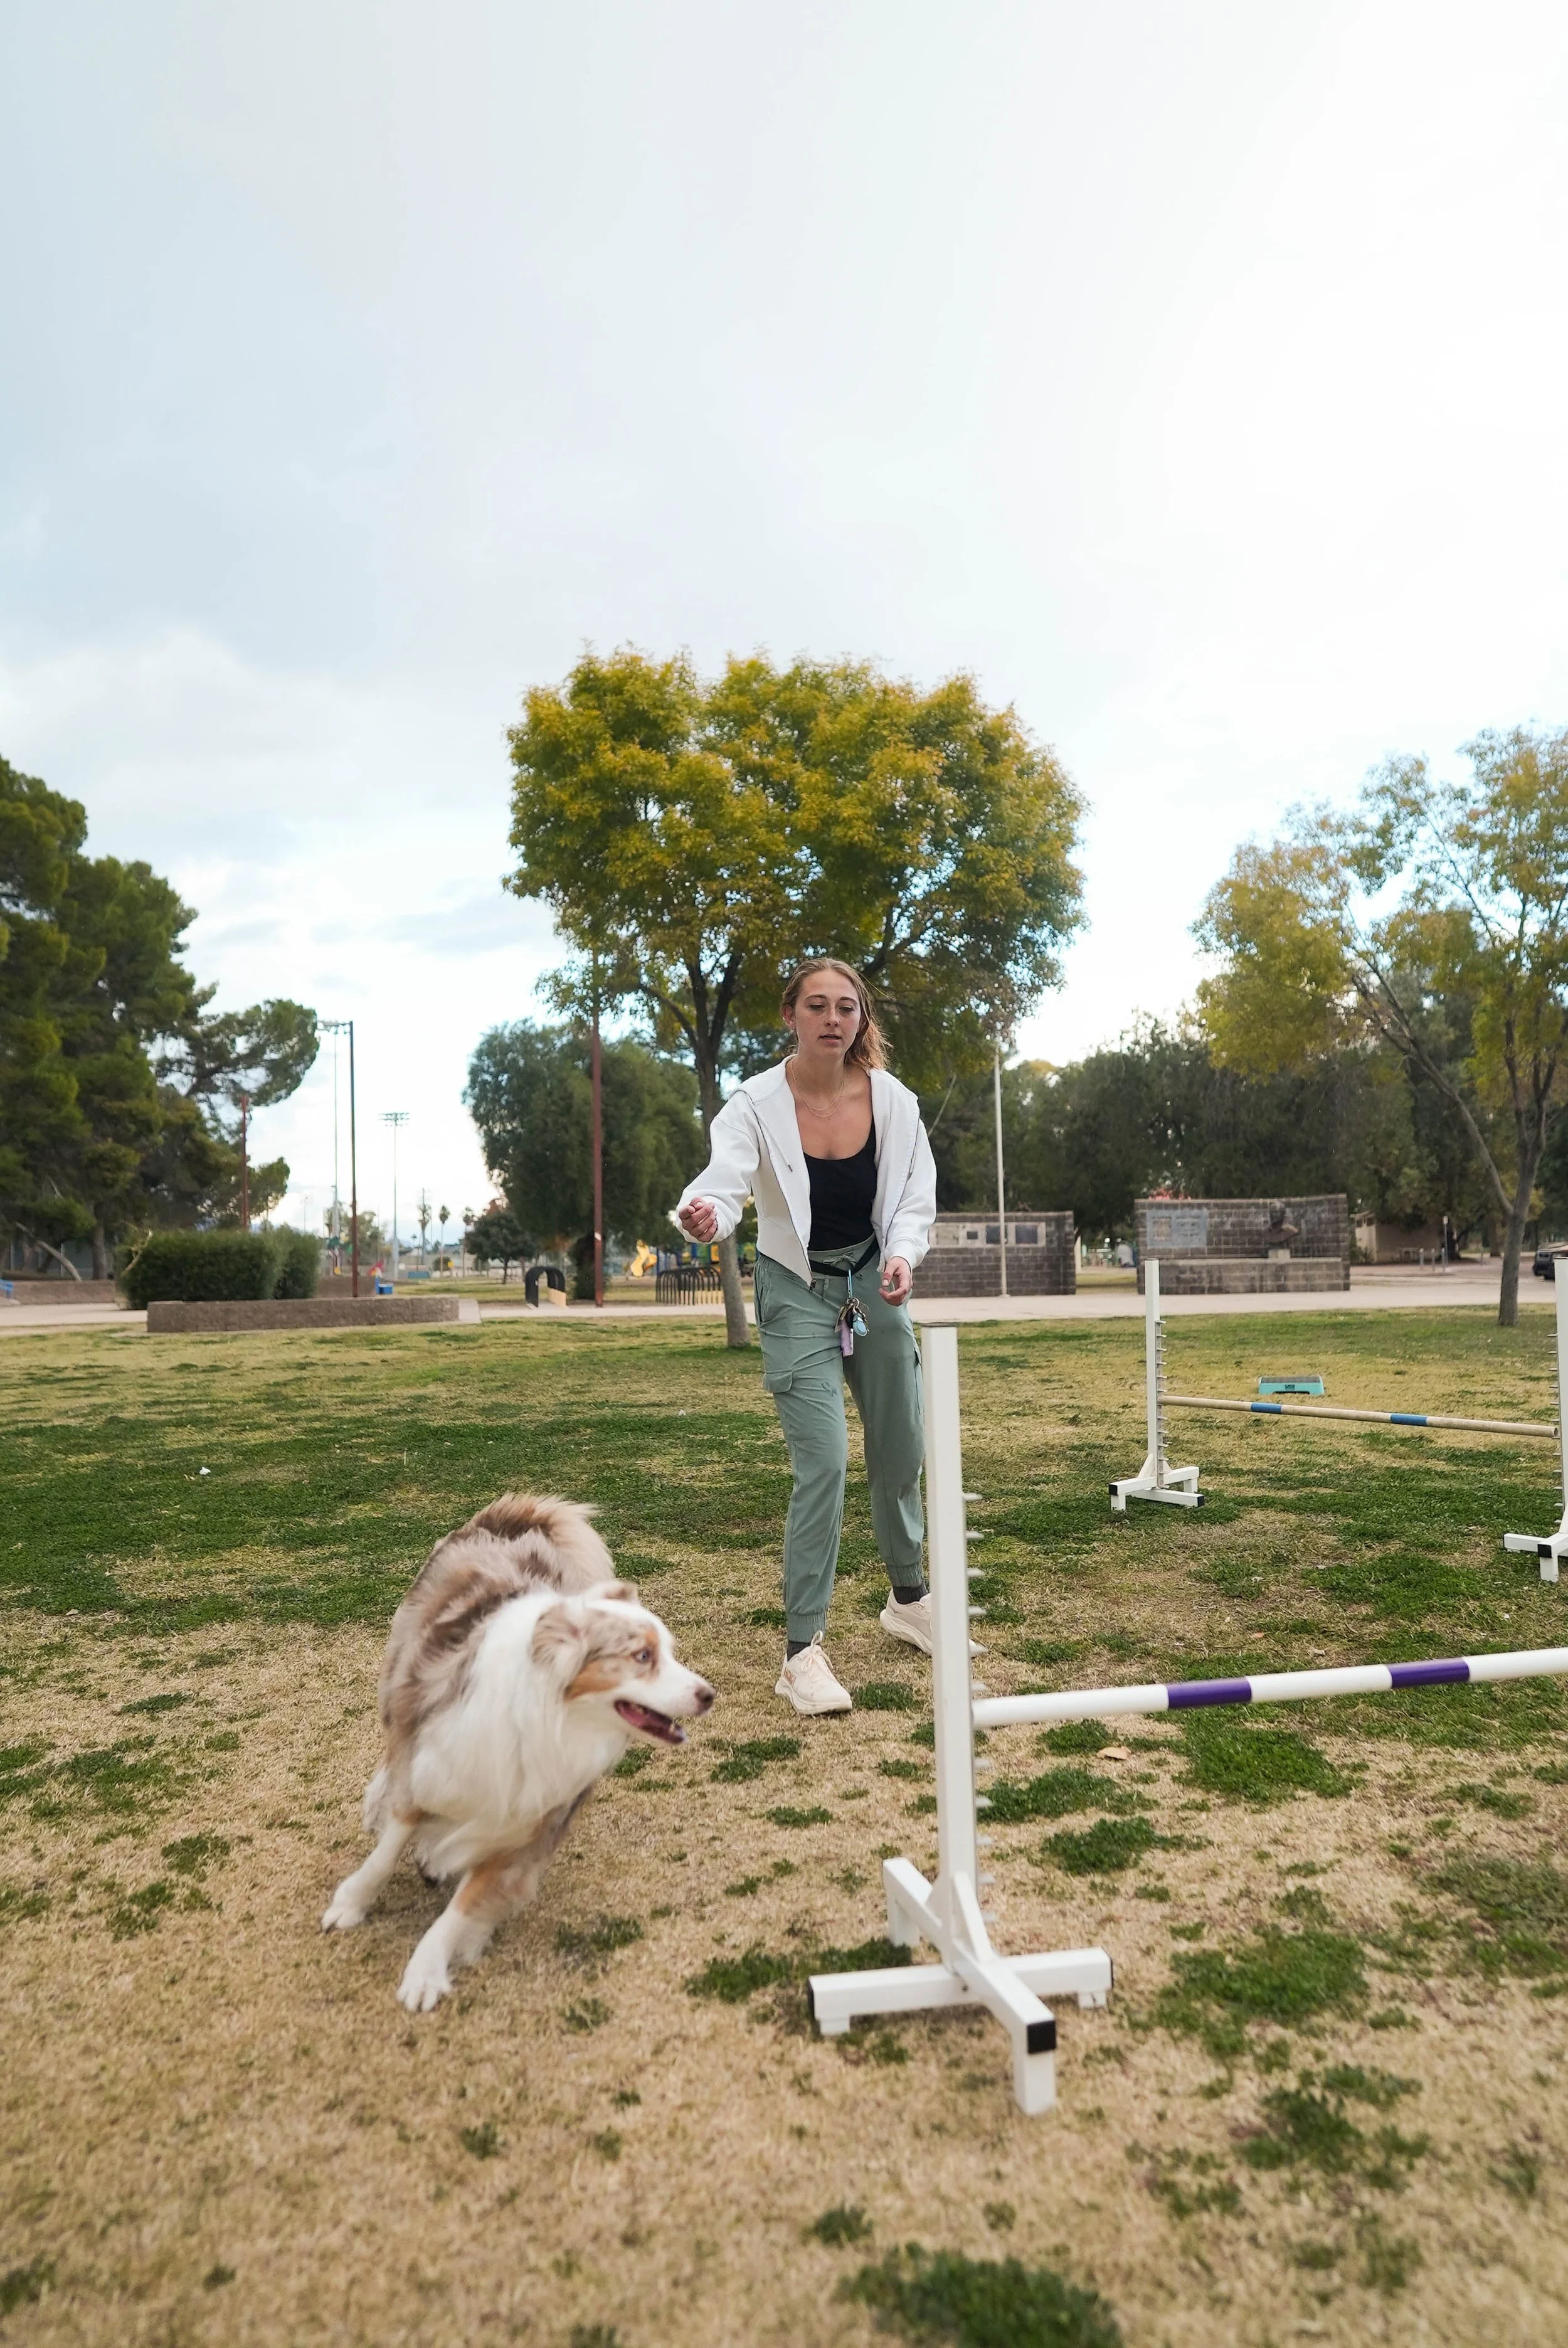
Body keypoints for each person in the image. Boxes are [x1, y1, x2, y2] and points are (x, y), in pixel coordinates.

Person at [675, 959, 938, 1717]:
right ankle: (802, 1651)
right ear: (789, 1013)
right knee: (824, 1460)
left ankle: (908, 1597)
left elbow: (914, 1198)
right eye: (816, 1004)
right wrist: (707, 1214)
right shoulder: (754, 1103)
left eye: (846, 1006)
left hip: (872, 1284)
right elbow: (723, 1180)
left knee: (899, 1445)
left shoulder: (893, 1101)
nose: (832, 1017)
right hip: (795, 1288)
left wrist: (901, 1254)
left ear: (861, 1019)